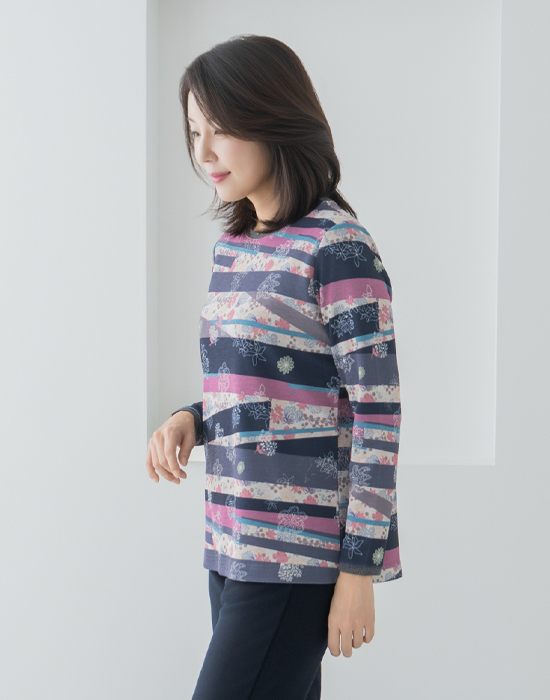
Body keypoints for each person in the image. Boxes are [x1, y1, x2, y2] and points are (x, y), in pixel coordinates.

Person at [145, 34, 403, 700]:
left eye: (220, 129)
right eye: (194, 132)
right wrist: (191, 418)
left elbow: (376, 415)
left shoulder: (339, 247)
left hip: (297, 554)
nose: (203, 152)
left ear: (273, 118)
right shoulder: (234, 247)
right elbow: (264, 386)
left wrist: (359, 570)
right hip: (230, 540)